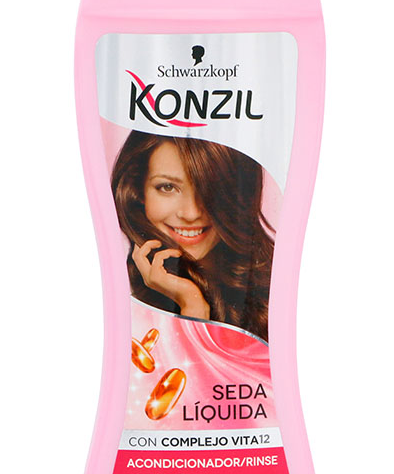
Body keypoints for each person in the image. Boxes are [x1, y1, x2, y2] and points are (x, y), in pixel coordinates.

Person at [111, 132, 274, 341]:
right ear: (138, 191)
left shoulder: (275, 287)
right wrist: (191, 303)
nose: (191, 213)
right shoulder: (122, 298)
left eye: (210, 188)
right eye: (168, 187)